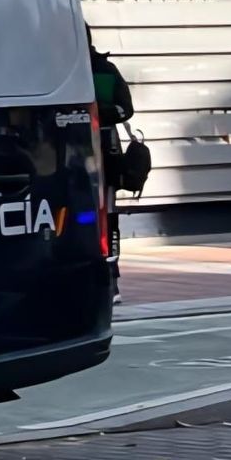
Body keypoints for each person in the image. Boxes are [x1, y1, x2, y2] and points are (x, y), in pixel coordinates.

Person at [88, 28, 134, 299]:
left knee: (107, 218)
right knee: (105, 217)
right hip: (94, 153)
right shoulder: (103, 68)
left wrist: (97, 111)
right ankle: (108, 278)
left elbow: (125, 108)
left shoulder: (104, 69)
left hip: (102, 152)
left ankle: (111, 277)